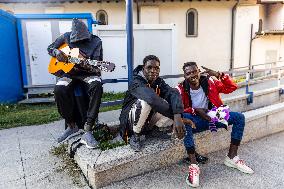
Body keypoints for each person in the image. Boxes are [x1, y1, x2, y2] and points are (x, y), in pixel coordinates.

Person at [176, 62, 254, 187]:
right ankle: (194, 166)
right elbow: (177, 110)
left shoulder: (210, 82)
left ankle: (232, 157)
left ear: (199, 72)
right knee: (185, 119)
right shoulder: (180, 89)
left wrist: (218, 74)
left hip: (213, 117)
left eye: (194, 71)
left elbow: (232, 87)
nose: (192, 75)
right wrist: (196, 110)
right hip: (195, 121)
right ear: (185, 76)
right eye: (188, 73)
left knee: (239, 118)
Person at [47, 18, 103, 149]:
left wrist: (87, 65)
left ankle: (88, 129)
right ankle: (72, 125)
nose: (77, 43)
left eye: (81, 41)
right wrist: (56, 52)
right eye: (75, 41)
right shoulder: (66, 36)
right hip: (69, 73)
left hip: (87, 73)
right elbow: (50, 48)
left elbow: (96, 67)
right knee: (59, 89)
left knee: (96, 86)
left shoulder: (96, 42)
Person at [119, 55, 187, 152]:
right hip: (130, 123)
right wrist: (177, 118)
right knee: (146, 102)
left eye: (156, 68)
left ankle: (154, 130)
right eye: (149, 67)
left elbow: (173, 92)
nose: (153, 71)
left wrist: (178, 115)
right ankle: (135, 135)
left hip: (147, 119)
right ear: (143, 69)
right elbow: (152, 99)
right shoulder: (136, 82)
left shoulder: (158, 81)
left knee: (172, 101)